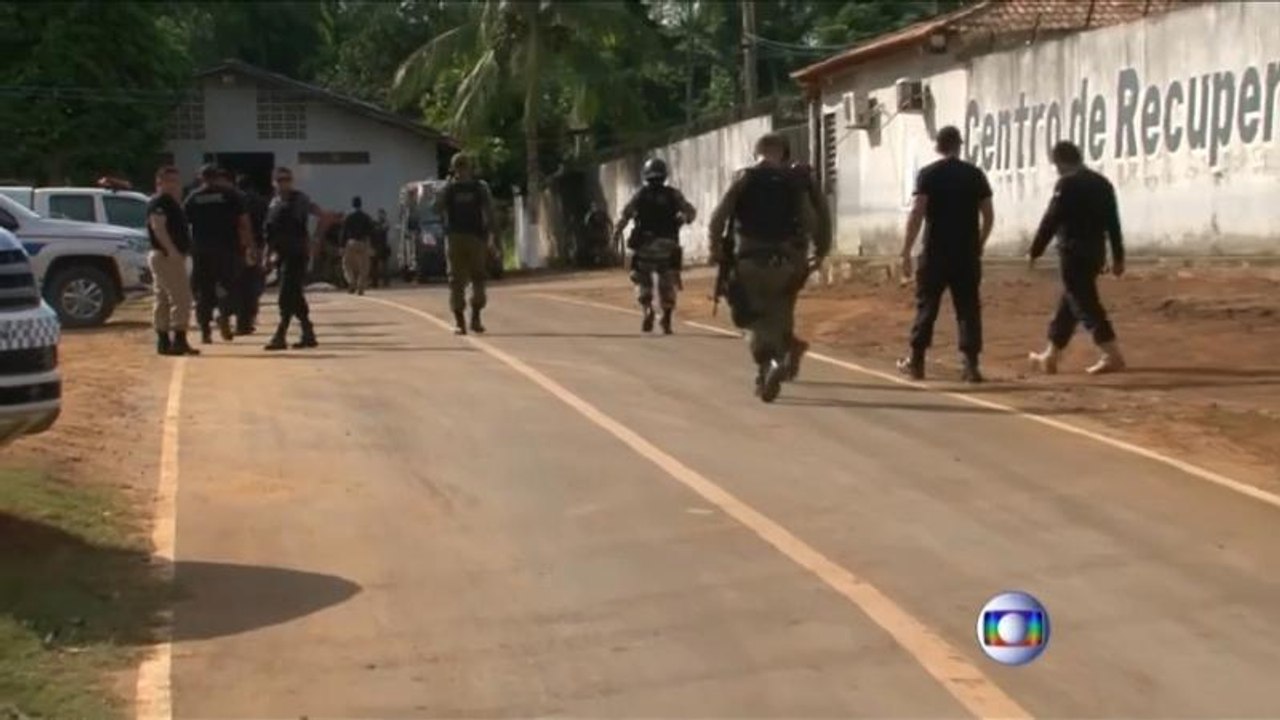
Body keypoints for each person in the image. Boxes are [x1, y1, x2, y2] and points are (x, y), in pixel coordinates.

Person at [707, 133, 824, 402]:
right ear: (783, 153)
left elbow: (718, 217)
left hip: (748, 261)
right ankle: (784, 352)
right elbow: (812, 221)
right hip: (786, 265)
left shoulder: (744, 178)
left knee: (749, 319)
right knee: (779, 316)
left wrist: (714, 247)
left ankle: (771, 364)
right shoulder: (795, 181)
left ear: (756, 153)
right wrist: (817, 251)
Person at [896, 125, 994, 383]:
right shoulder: (975, 175)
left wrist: (906, 250)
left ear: (938, 146)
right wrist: (980, 243)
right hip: (966, 253)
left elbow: (918, 211)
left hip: (936, 251)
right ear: (959, 145)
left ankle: (917, 361)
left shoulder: (929, 174)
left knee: (927, 305)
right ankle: (971, 365)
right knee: (968, 307)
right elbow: (988, 214)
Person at [1027, 140, 1127, 375]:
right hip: (1095, 252)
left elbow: (1051, 218)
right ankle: (1050, 355)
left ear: (1060, 162)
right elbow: (1113, 223)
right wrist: (1118, 256)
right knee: (1070, 302)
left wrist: (1035, 250)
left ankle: (1112, 354)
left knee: (1085, 304)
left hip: (1073, 252)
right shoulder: (1102, 183)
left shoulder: (1067, 184)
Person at [612, 158, 695, 334]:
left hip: (645, 247)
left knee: (643, 281)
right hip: (668, 246)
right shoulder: (673, 194)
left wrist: (616, 232)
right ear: (664, 175)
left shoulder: (640, 194)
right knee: (668, 283)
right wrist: (682, 219)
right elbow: (691, 213)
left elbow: (626, 215)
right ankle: (666, 317)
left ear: (646, 175)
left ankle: (647, 308)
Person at [263, 166, 332, 351]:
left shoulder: (299, 199)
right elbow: (269, 233)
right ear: (274, 182)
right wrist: (267, 255)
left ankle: (281, 334)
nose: (283, 183)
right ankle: (308, 332)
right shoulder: (274, 203)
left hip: (296, 253)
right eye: (279, 180)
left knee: (286, 294)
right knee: (294, 295)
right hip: (281, 254)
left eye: (286, 179)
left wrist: (316, 241)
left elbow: (322, 216)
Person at [184, 164, 252, 344]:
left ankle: (205, 330)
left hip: (202, 251)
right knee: (228, 287)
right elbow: (243, 223)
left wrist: (188, 248)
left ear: (201, 178)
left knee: (203, 291)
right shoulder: (231, 195)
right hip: (227, 250)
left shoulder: (194, 197)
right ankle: (224, 317)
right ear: (217, 177)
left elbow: (185, 225)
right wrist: (250, 246)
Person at [779, 154, 832, 381]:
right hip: (794, 256)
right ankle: (788, 349)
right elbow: (822, 216)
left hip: (767, 256)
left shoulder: (756, 177)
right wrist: (820, 251)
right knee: (783, 307)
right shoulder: (801, 179)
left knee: (762, 310)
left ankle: (784, 351)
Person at [436, 153, 497, 335]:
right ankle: (472, 319)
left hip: (457, 238)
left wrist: (445, 188)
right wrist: (493, 237)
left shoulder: (450, 189)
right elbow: (491, 213)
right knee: (476, 278)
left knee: (458, 280)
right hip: (473, 238)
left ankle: (462, 321)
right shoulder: (480, 187)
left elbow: (435, 208)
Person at [145, 166, 199, 356]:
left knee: (162, 298)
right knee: (181, 297)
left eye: (176, 181)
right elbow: (158, 227)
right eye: (170, 181)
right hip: (166, 256)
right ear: (160, 182)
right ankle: (179, 340)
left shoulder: (171, 202)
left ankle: (163, 341)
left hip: (164, 255)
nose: (175, 185)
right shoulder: (161, 202)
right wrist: (172, 250)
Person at [234, 173, 269, 335]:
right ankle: (249, 317)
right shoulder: (262, 201)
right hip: (257, 246)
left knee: (239, 282)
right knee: (254, 280)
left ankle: (237, 317)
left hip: (238, 246)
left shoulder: (234, 200)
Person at [341, 196, 376, 296]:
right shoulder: (366, 217)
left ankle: (351, 281)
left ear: (352, 205)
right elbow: (372, 232)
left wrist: (341, 246)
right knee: (364, 267)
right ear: (361, 204)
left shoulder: (348, 217)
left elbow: (343, 232)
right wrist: (372, 246)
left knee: (347, 265)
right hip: (363, 243)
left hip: (351, 242)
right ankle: (361, 287)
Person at [581, 203, 612, 268]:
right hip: (602, 235)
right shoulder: (603, 214)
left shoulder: (590, 214)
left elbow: (586, 224)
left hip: (595, 236)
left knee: (594, 246)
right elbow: (610, 223)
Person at [371, 208, 391, 288]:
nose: (380, 216)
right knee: (375, 265)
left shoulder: (385, 223)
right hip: (377, 246)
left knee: (384, 266)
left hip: (382, 246)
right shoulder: (376, 224)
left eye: (382, 214)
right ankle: (375, 282)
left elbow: (384, 228)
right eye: (380, 214)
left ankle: (385, 282)